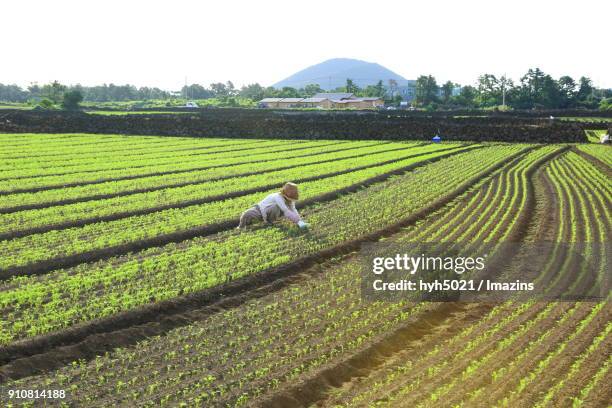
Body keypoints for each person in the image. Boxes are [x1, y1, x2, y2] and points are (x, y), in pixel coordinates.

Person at [238, 182, 310, 229]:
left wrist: (300, 220)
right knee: (246, 215)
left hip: (268, 213)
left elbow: (294, 210)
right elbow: (286, 211)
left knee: (277, 208)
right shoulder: (277, 197)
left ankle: (270, 222)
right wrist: (298, 222)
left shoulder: (290, 200)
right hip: (259, 210)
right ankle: (241, 228)